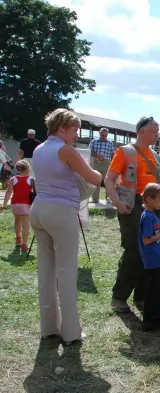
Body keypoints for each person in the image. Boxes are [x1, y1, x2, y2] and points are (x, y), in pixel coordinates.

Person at [30, 108, 102, 344]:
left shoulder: (39, 148)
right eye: (74, 130)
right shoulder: (66, 150)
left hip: (38, 209)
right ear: (62, 127)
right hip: (61, 212)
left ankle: (49, 327)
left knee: (46, 271)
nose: (75, 135)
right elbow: (94, 178)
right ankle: (71, 332)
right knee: (67, 272)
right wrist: (102, 173)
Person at [105, 116, 160, 314]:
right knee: (134, 252)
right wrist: (118, 203)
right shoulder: (125, 152)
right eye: (154, 131)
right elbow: (109, 179)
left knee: (150, 251)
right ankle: (119, 297)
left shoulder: (154, 154)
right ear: (142, 131)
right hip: (133, 205)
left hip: (152, 206)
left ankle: (141, 297)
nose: (157, 135)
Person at [138, 183, 160, 331]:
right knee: (153, 292)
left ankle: (157, 318)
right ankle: (149, 322)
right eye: (159, 200)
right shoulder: (147, 217)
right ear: (149, 199)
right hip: (153, 261)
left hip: (159, 260)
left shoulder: (152, 216)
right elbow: (147, 240)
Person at [1, 160, 34, 251]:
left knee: (17, 220)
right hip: (26, 204)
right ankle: (24, 244)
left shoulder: (13, 179)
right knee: (26, 225)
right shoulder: (31, 179)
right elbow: (36, 192)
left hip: (15, 204)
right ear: (28, 168)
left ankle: (18, 238)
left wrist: (4, 204)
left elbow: (9, 192)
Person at [88, 127, 116, 203]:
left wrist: (113, 163)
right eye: (102, 135)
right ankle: (95, 199)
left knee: (107, 180)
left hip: (107, 163)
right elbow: (89, 151)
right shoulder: (94, 141)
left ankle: (108, 199)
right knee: (96, 180)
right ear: (99, 134)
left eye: (105, 136)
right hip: (96, 162)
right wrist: (97, 155)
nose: (104, 137)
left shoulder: (110, 143)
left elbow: (114, 154)